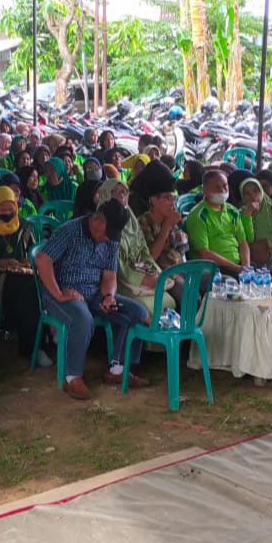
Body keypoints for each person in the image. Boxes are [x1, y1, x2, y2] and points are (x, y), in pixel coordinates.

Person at [33, 199, 150, 400]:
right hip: (62, 292)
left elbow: (109, 275)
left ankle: (118, 370)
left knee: (137, 312)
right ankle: (72, 377)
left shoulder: (111, 238)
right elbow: (42, 260)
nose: (107, 239)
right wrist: (59, 293)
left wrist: (108, 296)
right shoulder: (69, 231)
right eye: (106, 233)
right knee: (82, 318)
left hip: (94, 293)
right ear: (97, 220)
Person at [0, 186, 45, 363]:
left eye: (10, 209)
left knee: (36, 286)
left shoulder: (23, 224)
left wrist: (28, 262)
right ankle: (32, 348)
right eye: (2, 209)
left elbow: (32, 251)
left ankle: (38, 342)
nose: (7, 213)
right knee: (27, 289)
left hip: (22, 272)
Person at [101, 179, 180, 311]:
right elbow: (115, 264)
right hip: (121, 281)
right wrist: (140, 278)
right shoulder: (103, 221)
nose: (121, 195)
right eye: (115, 192)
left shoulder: (131, 220)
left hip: (139, 272)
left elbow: (144, 251)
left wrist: (152, 270)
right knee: (152, 306)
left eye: (124, 191)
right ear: (105, 194)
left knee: (169, 299)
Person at [186, 170, 250, 277]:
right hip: (214, 269)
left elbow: (243, 242)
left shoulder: (232, 211)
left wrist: (246, 268)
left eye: (225, 186)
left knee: (270, 277)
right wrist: (237, 269)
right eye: (217, 187)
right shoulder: (198, 216)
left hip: (238, 265)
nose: (222, 190)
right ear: (205, 190)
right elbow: (204, 253)